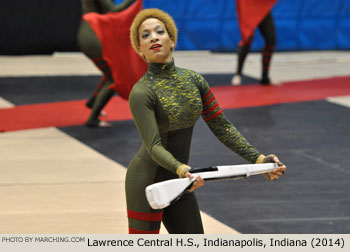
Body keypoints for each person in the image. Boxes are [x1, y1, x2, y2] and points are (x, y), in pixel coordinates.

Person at [126, 8, 286, 234]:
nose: (153, 37)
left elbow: (221, 125)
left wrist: (259, 159)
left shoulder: (194, 80)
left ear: (171, 41)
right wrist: (181, 169)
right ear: (141, 50)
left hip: (183, 180)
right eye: (145, 35)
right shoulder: (141, 92)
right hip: (147, 183)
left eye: (159, 32)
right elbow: (153, 146)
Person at [77, 0, 147, 127]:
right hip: (93, 33)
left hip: (92, 31)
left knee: (111, 70)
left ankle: (93, 102)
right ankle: (93, 118)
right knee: (115, 77)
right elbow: (113, 9)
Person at [232, 0, 278, 86]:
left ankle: (265, 77)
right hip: (247, 5)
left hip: (261, 7)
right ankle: (238, 73)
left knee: (271, 39)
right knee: (248, 38)